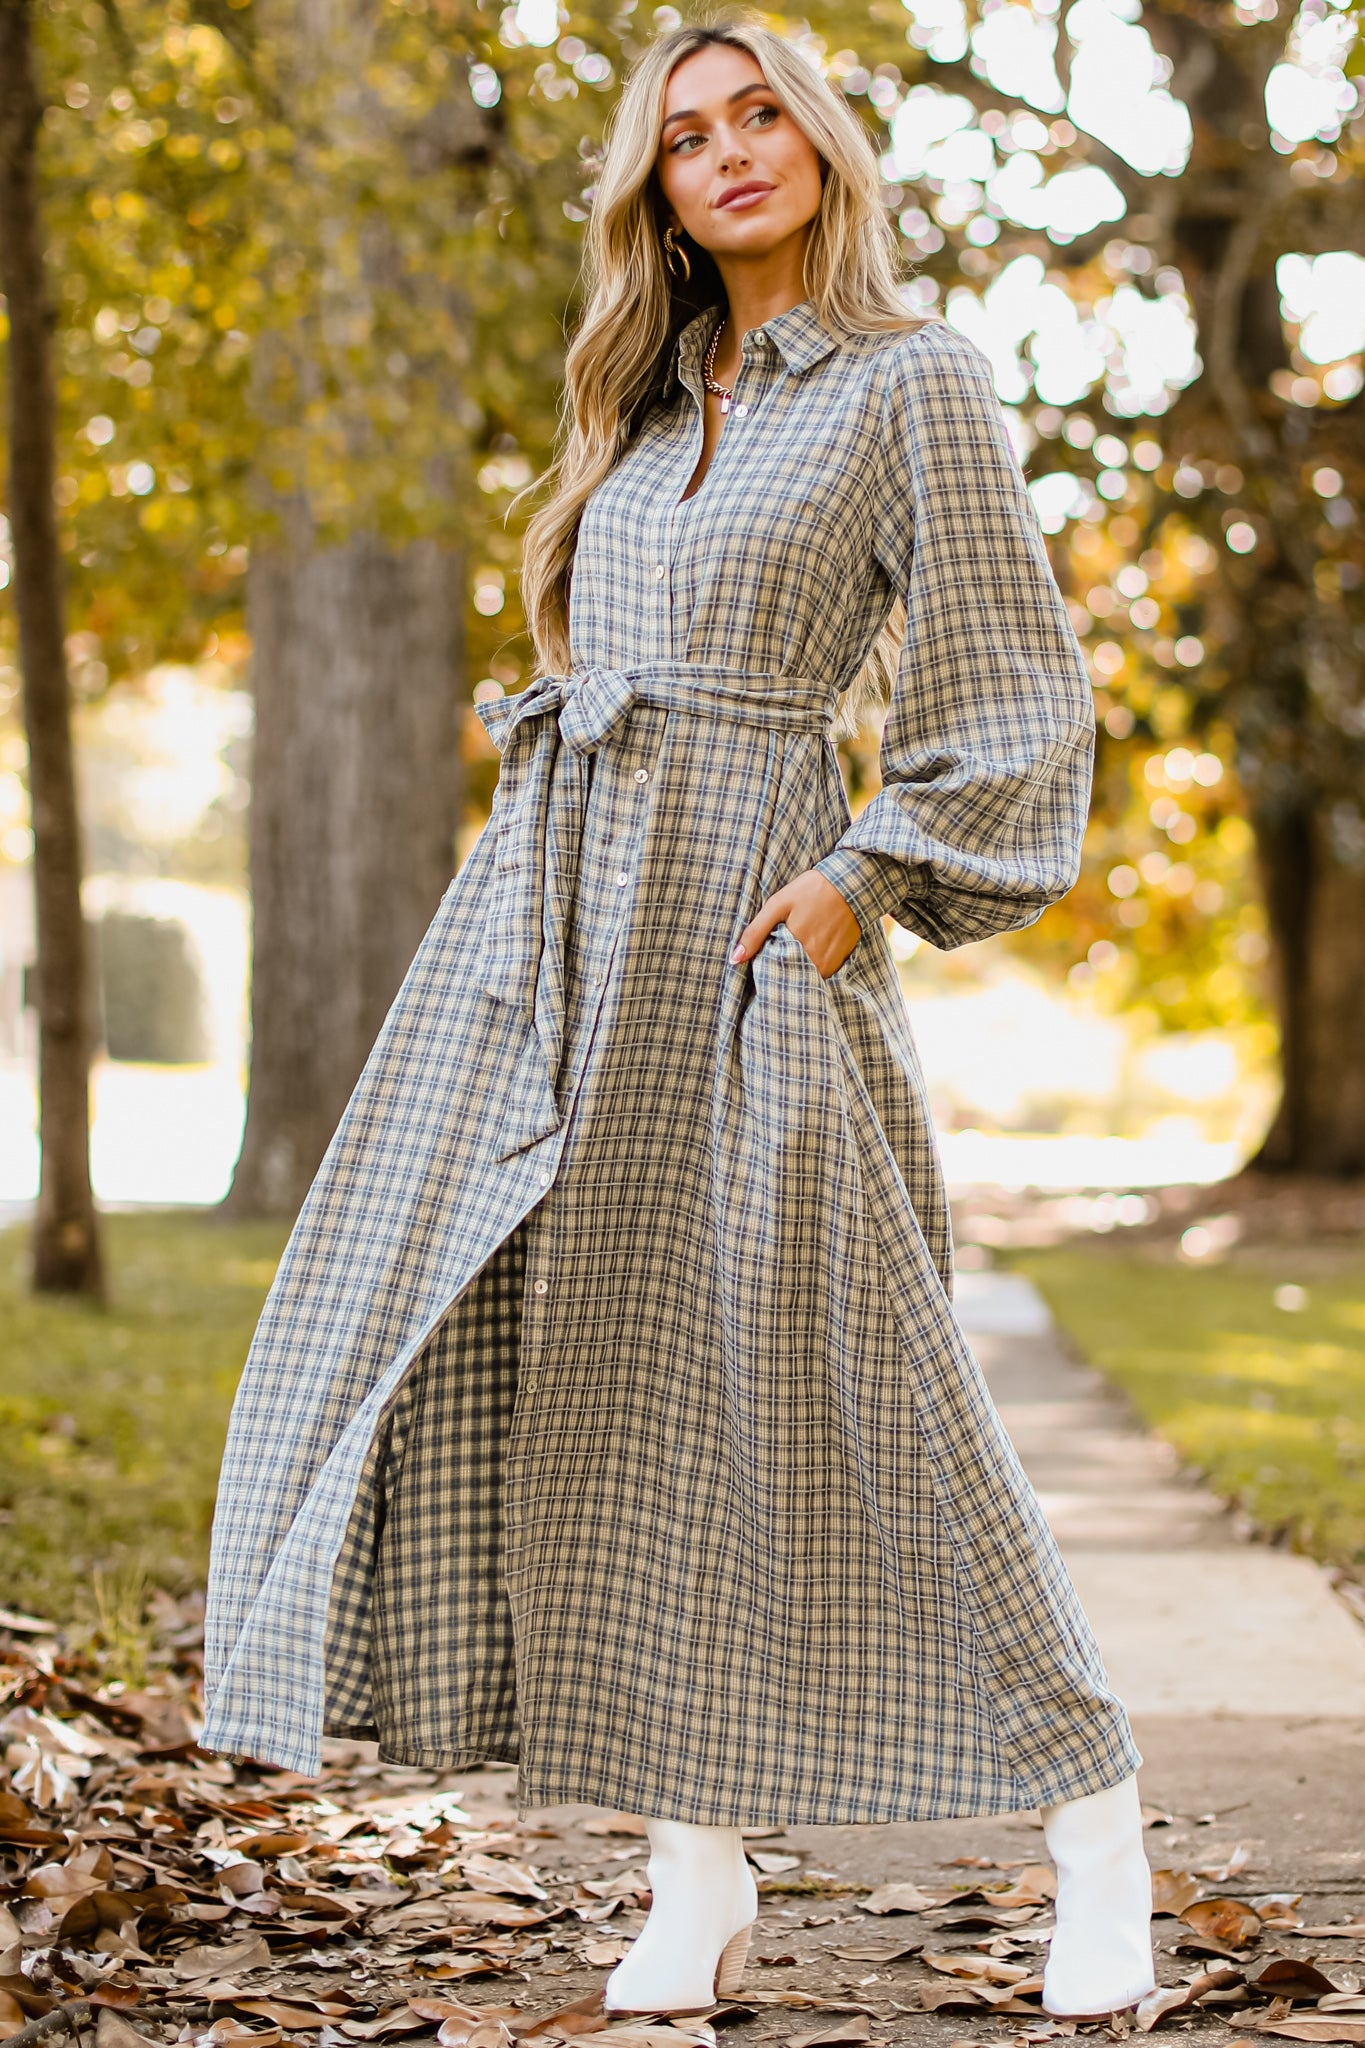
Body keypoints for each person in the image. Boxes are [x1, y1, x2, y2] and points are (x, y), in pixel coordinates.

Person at [201, 10, 1155, 2027]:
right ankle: (692, 1877)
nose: (725, 153)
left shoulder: (912, 385)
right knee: (583, 1384)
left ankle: (1094, 1835)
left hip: (747, 943)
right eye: (685, 133)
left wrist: (851, 885)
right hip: (544, 939)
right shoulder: (640, 412)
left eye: (757, 118)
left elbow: (1007, 693)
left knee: (863, 1388)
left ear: (816, 143)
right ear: (651, 180)